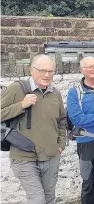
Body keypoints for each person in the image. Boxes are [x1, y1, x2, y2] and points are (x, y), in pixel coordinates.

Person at [1, 54, 66, 204]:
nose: (47, 75)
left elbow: (62, 121)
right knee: (37, 199)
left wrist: (60, 144)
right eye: (42, 70)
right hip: (24, 158)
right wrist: (21, 105)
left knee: (50, 199)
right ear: (31, 70)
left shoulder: (55, 93)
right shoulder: (17, 88)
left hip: (51, 156)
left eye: (51, 71)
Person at [67, 57, 94, 204]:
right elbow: (78, 120)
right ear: (82, 70)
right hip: (86, 142)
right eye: (90, 67)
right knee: (88, 183)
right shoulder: (75, 93)